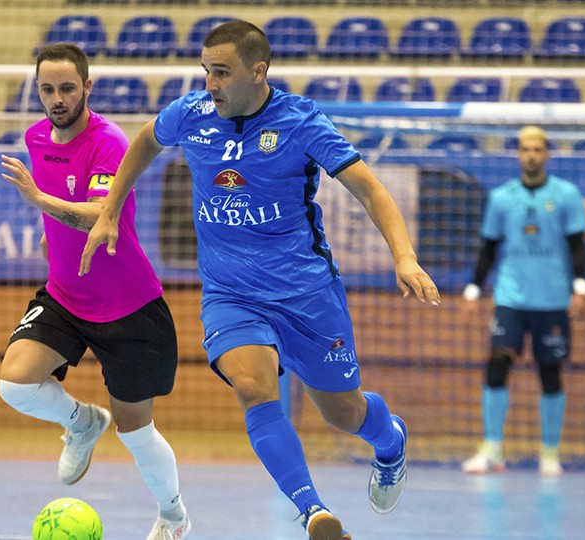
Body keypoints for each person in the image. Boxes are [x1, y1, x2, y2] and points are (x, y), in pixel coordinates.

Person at [79, 20, 441, 540]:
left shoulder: (300, 121)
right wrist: (111, 207)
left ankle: (390, 441)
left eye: (221, 73)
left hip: (306, 292)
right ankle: (313, 512)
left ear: (258, 71)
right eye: (205, 71)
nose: (210, 84)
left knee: (344, 413)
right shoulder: (191, 115)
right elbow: (144, 142)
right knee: (253, 387)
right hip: (232, 294)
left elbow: (371, 190)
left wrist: (404, 258)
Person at [0, 43, 191, 540]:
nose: (57, 98)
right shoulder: (37, 137)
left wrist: (40, 201)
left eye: (66, 87)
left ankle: (173, 514)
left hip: (128, 307)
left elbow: (101, 217)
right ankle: (81, 421)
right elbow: (63, 209)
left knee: (137, 431)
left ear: (87, 86)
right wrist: (50, 233)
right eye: (47, 89)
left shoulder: (109, 141)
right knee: (15, 383)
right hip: (65, 294)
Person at [460, 126, 585, 478]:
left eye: (537, 149)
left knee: (550, 372)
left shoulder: (567, 195)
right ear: (517, 154)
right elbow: (488, 248)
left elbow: (578, 244)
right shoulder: (502, 198)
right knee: (497, 365)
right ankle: (491, 449)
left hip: (552, 298)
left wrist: (581, 287)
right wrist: (473, 290)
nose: (531, 155)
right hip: (511, 297)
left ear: (547, 153)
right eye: (524, 149)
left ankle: (549, 453)